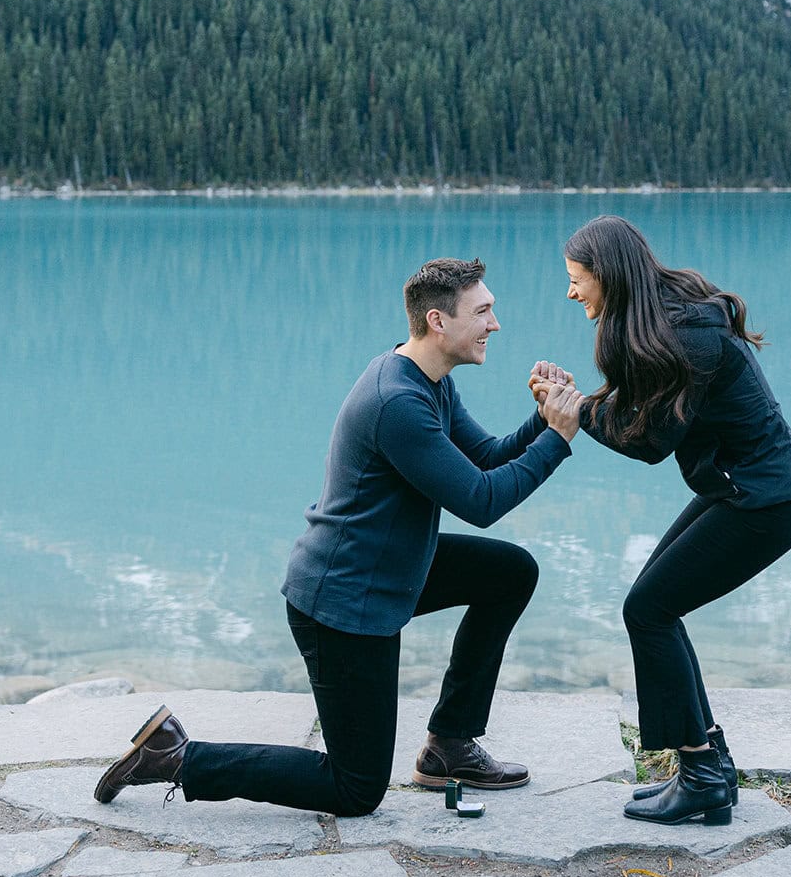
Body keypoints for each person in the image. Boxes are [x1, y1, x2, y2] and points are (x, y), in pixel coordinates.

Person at [94, 256, 585, 816]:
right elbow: (480, 500)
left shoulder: (426, 380)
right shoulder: (398, 402)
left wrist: (542, 418)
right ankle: (176, 756)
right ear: (438, 321)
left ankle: (450, 744)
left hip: (390, 567)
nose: (495, 324)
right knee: (355, 789)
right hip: (345, 601)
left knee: (509, 573)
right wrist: (558, 440)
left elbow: (486, 459)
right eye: (484, 311)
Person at [530, 216, 791, 828]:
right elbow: (644, 411)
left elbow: (650, 442)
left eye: (576, 279)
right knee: (655, 605)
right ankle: (708, 766)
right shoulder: (667, 315)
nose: (571, 292)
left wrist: (576, 411)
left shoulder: (686, 333)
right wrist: (580, 401)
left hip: (765, 503)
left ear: (606, 275)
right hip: (745, 491)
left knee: (649, 609)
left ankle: (700, 772)